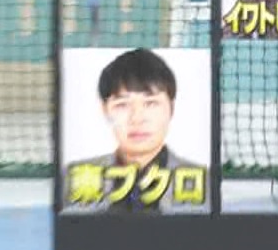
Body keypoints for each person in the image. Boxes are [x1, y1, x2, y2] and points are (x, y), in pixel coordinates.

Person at [61, 49, 208, 215]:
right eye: (122, 105)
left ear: (171, 109)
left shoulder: (204, 183)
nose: (137, 118)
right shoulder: (72, 179)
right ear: (105, 110)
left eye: (151, 103)